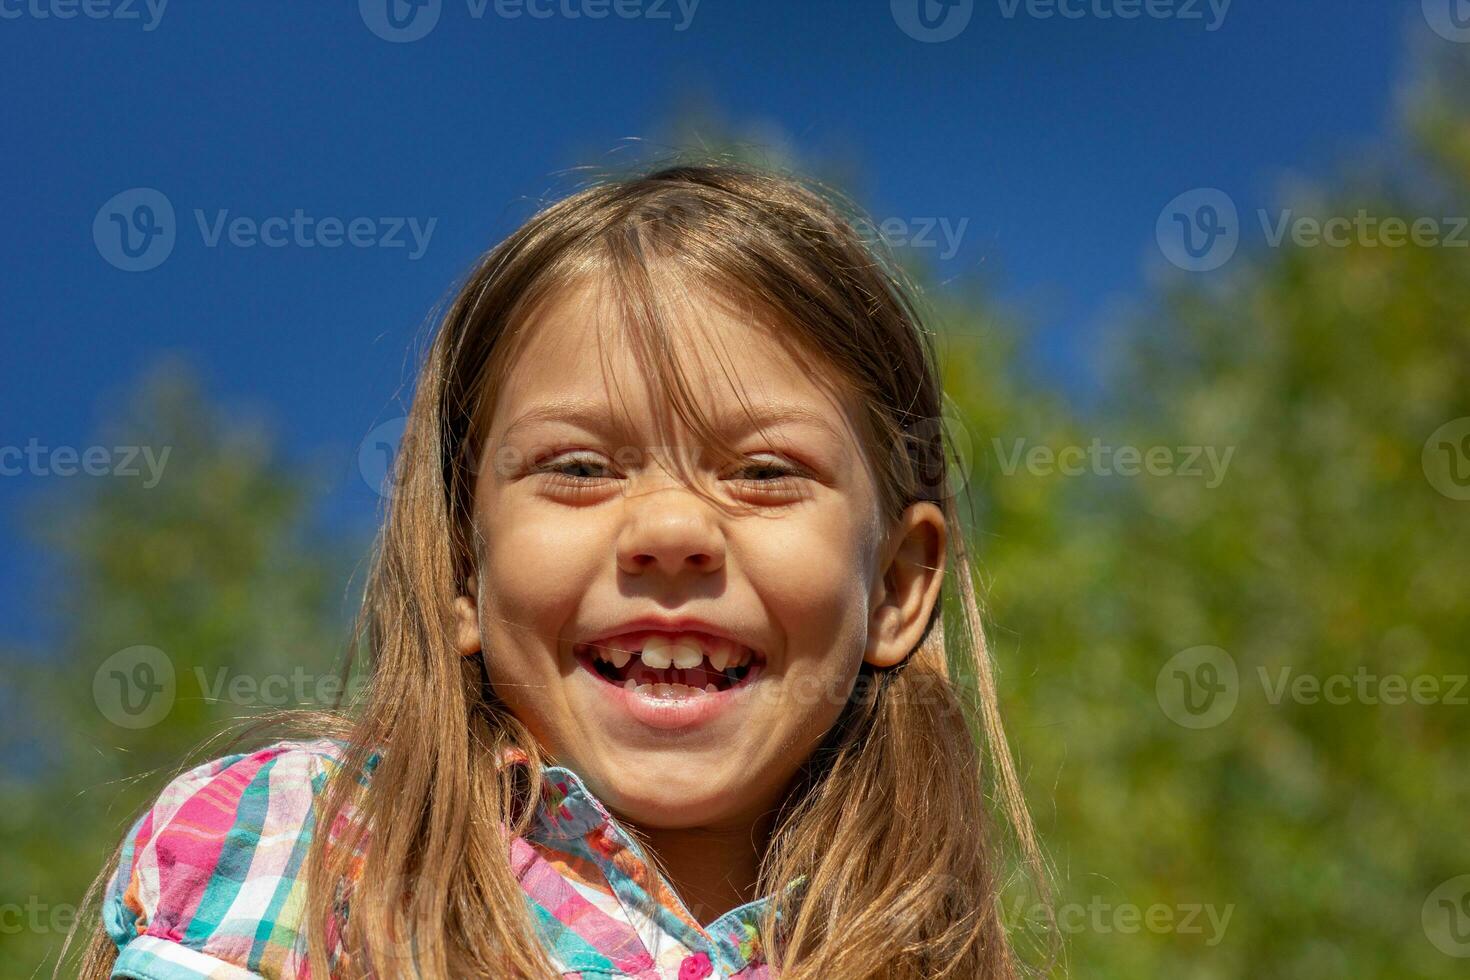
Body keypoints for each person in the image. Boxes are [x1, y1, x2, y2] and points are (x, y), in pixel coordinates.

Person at [74, 162, 1048, 978]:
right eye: (579, 467)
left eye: (763, 471)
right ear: (464, 565)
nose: (670, 526)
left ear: (895, 585)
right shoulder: (296, 850)